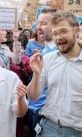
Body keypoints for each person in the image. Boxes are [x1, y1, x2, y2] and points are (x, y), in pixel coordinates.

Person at [28, 11, 82, 136]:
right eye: (55, 33)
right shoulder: (48, 58)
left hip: (77, 132)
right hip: (47, 128)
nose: (58, 37)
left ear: (76, 31)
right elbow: (33, 97)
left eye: (63, 31)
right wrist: (36, 74)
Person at [27, 8, 57, 136]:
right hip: (34, 109)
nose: (39, 27)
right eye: (38, 23)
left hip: (44, 114)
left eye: (44, 23)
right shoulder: (45, 50)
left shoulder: (60, 53)